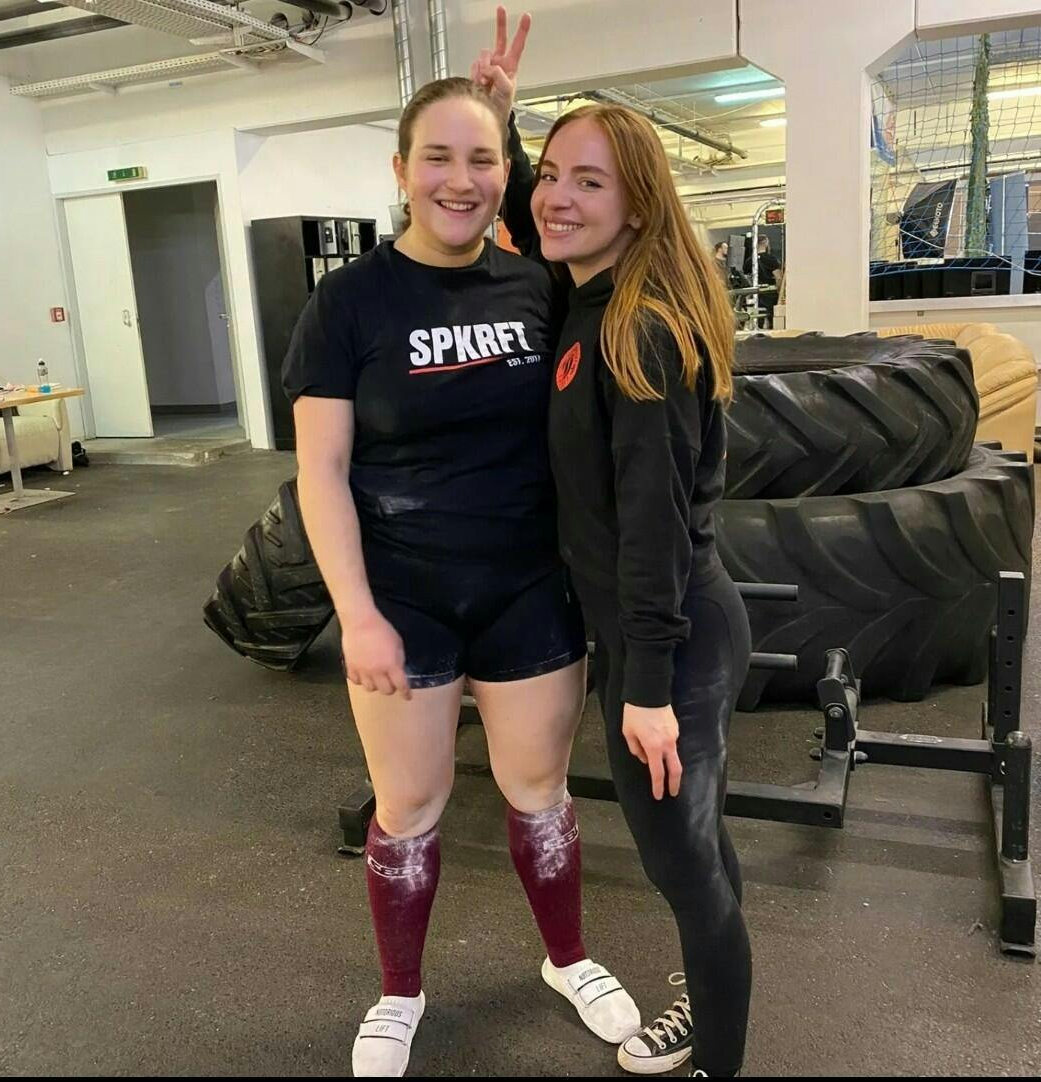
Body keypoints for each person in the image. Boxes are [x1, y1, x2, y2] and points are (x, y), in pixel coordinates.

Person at [283, 67, 639, 1078]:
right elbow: (321, 471)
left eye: (482, 158)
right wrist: (357, 614)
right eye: (436, 156)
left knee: (540, 790)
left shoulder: (540, 285)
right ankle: (400, 991)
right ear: (400, 169)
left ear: (503, 172)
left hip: (527, 589)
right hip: (403, 598)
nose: (460, 178)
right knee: (409, 807)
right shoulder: (346, 303)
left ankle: (567, 959)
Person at [475, 17, 752, 1078]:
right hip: (653, 632)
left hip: (670, 637)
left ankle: (719, 1060)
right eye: (552, 175)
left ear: (637, 204)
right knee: (697, 846)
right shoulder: (590, 296)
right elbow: (535, 221)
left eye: (589, 182)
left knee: (685, 865)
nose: (557, 197)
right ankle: (710, 1019)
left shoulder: (638, 329)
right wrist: (502, 126)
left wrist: (647, 687)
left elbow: (652, 524)